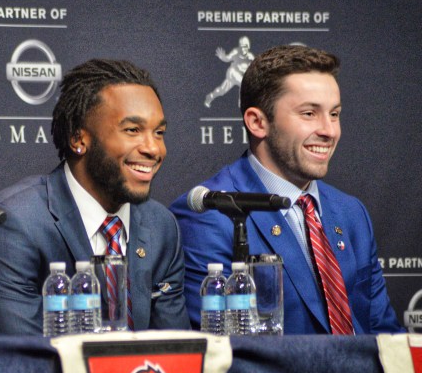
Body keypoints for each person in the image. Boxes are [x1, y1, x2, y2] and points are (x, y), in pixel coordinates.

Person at [170, 45, 404, 334]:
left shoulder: (351, 212)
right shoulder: (210, 213)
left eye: (334, 114)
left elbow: (384, 332)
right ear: (257, 122)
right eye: (309, 113)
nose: (329, 131)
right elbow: (222, 353)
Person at [0, 59, 190, 335]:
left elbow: (175, 352)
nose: (154, 149)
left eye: (159, 133)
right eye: (133, 130)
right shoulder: (9, 227)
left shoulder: (161, 227)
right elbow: (28, 358)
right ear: (78, 140)